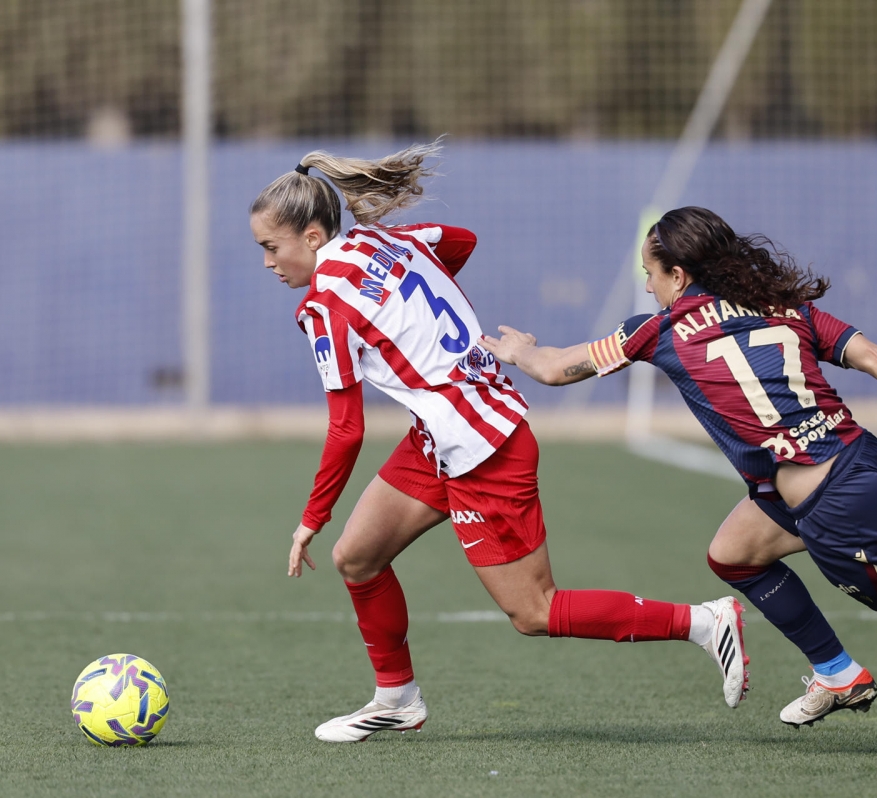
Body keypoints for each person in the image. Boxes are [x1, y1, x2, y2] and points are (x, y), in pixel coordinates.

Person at [482, 206, 877, 758]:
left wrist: (519, 350)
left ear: (677, 276)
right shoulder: (785, 307)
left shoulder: (662, 329)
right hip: (855, 461)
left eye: (650, 273)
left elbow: (558, 369)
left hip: (836, 507)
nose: (647, 286)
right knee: (733, 553)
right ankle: (835, 670)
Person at [248, 145, 750, 743]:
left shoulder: (324, 304)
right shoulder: (386, 241)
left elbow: (345, 428)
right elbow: (460, 240)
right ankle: (397, 699)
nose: (267, 262)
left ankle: (703, 622)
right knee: (357, 558)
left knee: (533, 612)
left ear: (310, 236)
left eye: (271, 248)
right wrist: (422, 315)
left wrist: (311, 518)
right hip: (446, 431)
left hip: (482, 450)